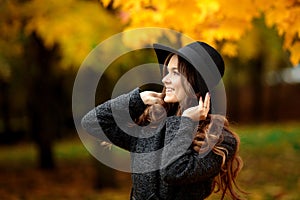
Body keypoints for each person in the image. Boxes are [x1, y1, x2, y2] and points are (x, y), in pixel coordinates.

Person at [81, 41, 245, 200]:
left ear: (195, 82)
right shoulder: (151, 125)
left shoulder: (218, 139)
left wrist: (186, 122)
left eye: (175, 73)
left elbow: (173, 171)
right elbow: (92, 123)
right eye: (166, 71)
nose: (165, 79)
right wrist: (135, 100)